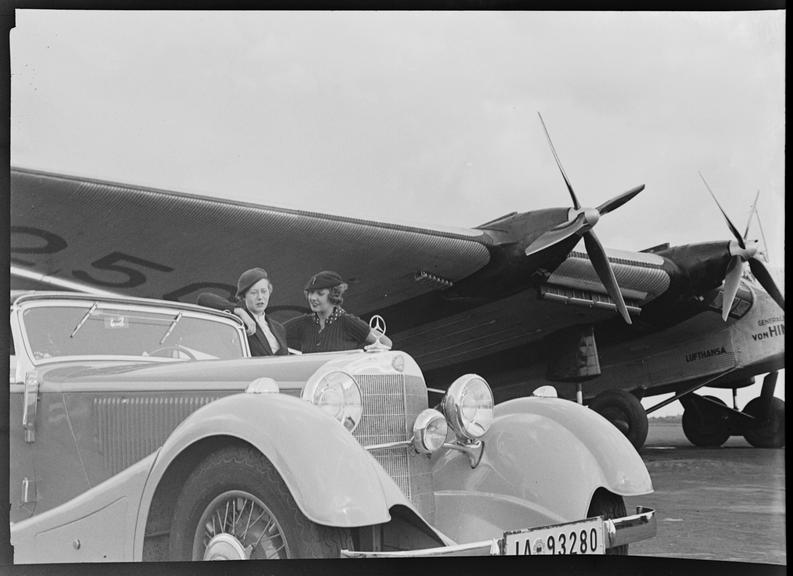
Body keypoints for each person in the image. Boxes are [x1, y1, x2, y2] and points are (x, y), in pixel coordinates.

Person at [285, 270, 392, 353]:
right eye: (310, 293)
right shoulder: (302, 323)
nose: (312, 298)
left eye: (320, 293)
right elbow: (272, 333)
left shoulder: (348, 322)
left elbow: (385, 343)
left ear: (334, 294)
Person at [197, 268, 287, 356]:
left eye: (264, 291)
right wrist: (239, 311)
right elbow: (203, 298)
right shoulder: (237, 320)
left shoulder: (278, 328)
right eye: (253, 292)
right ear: (244, 296)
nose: (260, 297)